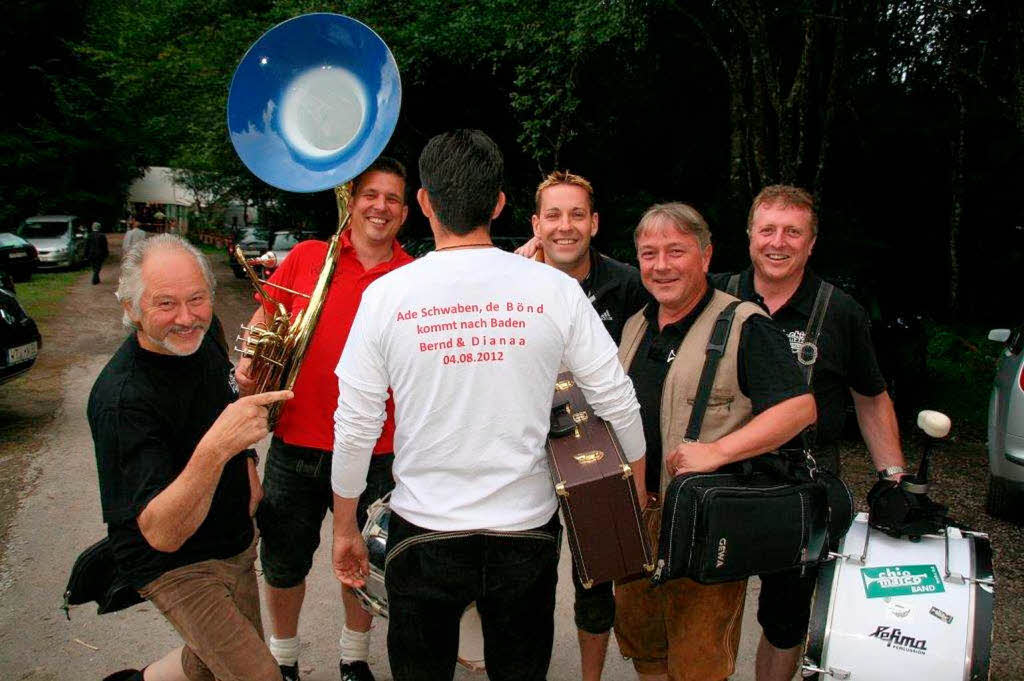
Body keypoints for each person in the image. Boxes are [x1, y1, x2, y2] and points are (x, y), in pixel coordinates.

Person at [330, 129, 647, 681]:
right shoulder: (554, 290)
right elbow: (618, 400)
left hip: (423, 530)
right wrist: (635, 485)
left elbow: (356, 425)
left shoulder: (386, 296)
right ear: (499, 204)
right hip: (525, 533)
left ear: (424, 201)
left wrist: (343, 527)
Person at [710, 185, 909, 681]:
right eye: (768, 229)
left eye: (792, 231)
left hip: (803, 489)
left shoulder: (841, 312)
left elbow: (870, 397)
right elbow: (640, 279)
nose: (779, 242)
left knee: (785, 620)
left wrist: (893, 480)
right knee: (706, 606)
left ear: (812, 242)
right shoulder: (712, 294)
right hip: (720, 479)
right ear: (750, 235)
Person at [613, 202, 816, 681]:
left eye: (676, 251)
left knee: (699, 658)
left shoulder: (746, 324)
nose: (661, 265)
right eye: (649, 254)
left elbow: (799, 409)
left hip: (705, 524)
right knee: (644, 642)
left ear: (705, 257)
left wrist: (719, 451)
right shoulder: (636, 325)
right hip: (640, 514)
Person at [234, 157, 412, 681]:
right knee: (285, 562)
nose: (380, 207)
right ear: (352, 199)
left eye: (393, 199)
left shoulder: (411, 276)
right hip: (297, 442)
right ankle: (283, 659)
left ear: (407, 211)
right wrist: (249, 365)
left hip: (378, 449)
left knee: (361, 561)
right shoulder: (310, 256)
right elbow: (268, 320)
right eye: (371, 194)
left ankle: (353, 657)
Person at [90, 234, 292, 681]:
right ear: (131, 309)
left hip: (234, 539)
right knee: (259, 674)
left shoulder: (206, 331)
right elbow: (162, 533)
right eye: (165, 304)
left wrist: (248, 465)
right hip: (175, 563)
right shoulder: (121, 400)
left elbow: (221, 401)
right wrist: (219, 446)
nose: (186, 318)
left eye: (197, 299)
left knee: (208, 661)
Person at [527, 170, 649, 680]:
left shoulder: (627, 285)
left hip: (598, 449)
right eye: (553, 215)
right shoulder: (512, 281)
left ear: (594, 223)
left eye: (577, 214)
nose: (565, 226)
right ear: (535, 224)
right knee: (526, 577)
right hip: (528, 451)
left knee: (594, 579)